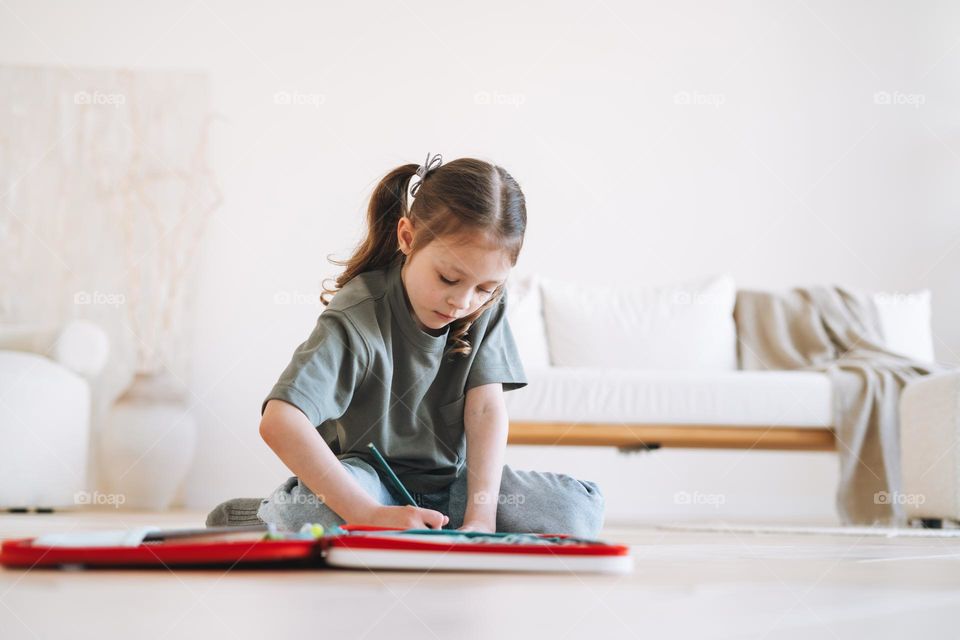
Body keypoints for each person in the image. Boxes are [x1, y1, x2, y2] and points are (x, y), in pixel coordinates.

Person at [206, 153, 605, 537]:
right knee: (313, 513)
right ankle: (262, 515)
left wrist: (481, 518)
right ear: (407, 237)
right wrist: (368, 514)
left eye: (485, 287)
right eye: (449, 279)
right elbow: (279, 421)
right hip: (368, 483)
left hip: (452, 486)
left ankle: (426, 525)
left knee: (575, 512)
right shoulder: (358, 314)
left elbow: (485, 408)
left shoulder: (486, 307)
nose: (464, 302)